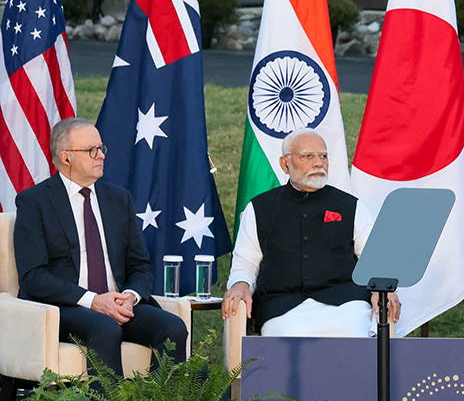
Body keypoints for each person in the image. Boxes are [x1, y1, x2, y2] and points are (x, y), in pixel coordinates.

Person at [14, 118, 188, 376]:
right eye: (91, 150)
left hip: (118, 303)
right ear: (66, 157)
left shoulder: (118, 199)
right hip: (66, 307)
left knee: (173, 328)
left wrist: (129, 297)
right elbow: (33, 277)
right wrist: (93, 301)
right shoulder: (35, 202)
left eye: (101, 148)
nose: (101, 155)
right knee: (105, 328)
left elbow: (139, 264)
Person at [221, 129, 399, 336]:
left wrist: (382, 289)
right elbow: (244, 265)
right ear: (285, 164)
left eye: (323, 156)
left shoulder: (350, 206)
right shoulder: (259, 208)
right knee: (287, 335)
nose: (318, 163)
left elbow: (374, 260)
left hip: (346, 303)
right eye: (308, 156)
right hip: (281, 307)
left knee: (355, 331)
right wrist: (240, 285)